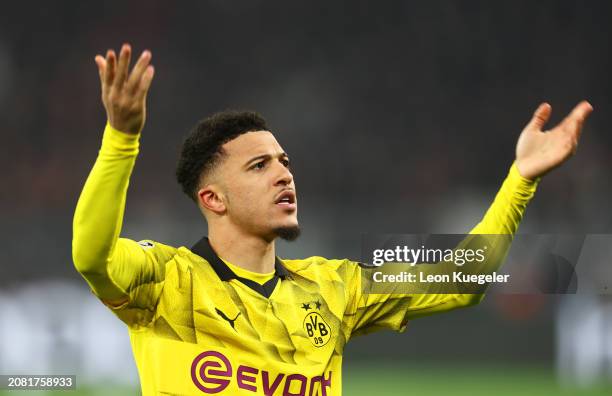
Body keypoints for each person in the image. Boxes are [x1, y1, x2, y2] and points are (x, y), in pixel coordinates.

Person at [72, 43, 593, 395]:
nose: (283, 175)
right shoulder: (167, 282)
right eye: (259, 166)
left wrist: (520, 177)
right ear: (213, 200)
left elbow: (466, 277)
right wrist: (122, 139)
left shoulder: (333, 286)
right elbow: (91, 255)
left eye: (284, 162)